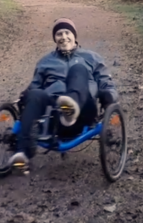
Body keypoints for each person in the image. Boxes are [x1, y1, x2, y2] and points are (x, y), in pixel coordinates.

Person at [8, 18, 118, 169]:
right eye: (59, 34)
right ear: (55, 38)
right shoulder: (45, 61)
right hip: (54, 114)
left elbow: (106, 81)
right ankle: (22, 154)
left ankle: (71, 107)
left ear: (74, 36)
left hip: (84, 109)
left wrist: (110, 96)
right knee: (35, 94)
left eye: (67, 32)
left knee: (78, 69)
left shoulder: (91, 57)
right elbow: (35, 86)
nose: (63, 37)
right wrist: (25, 96)